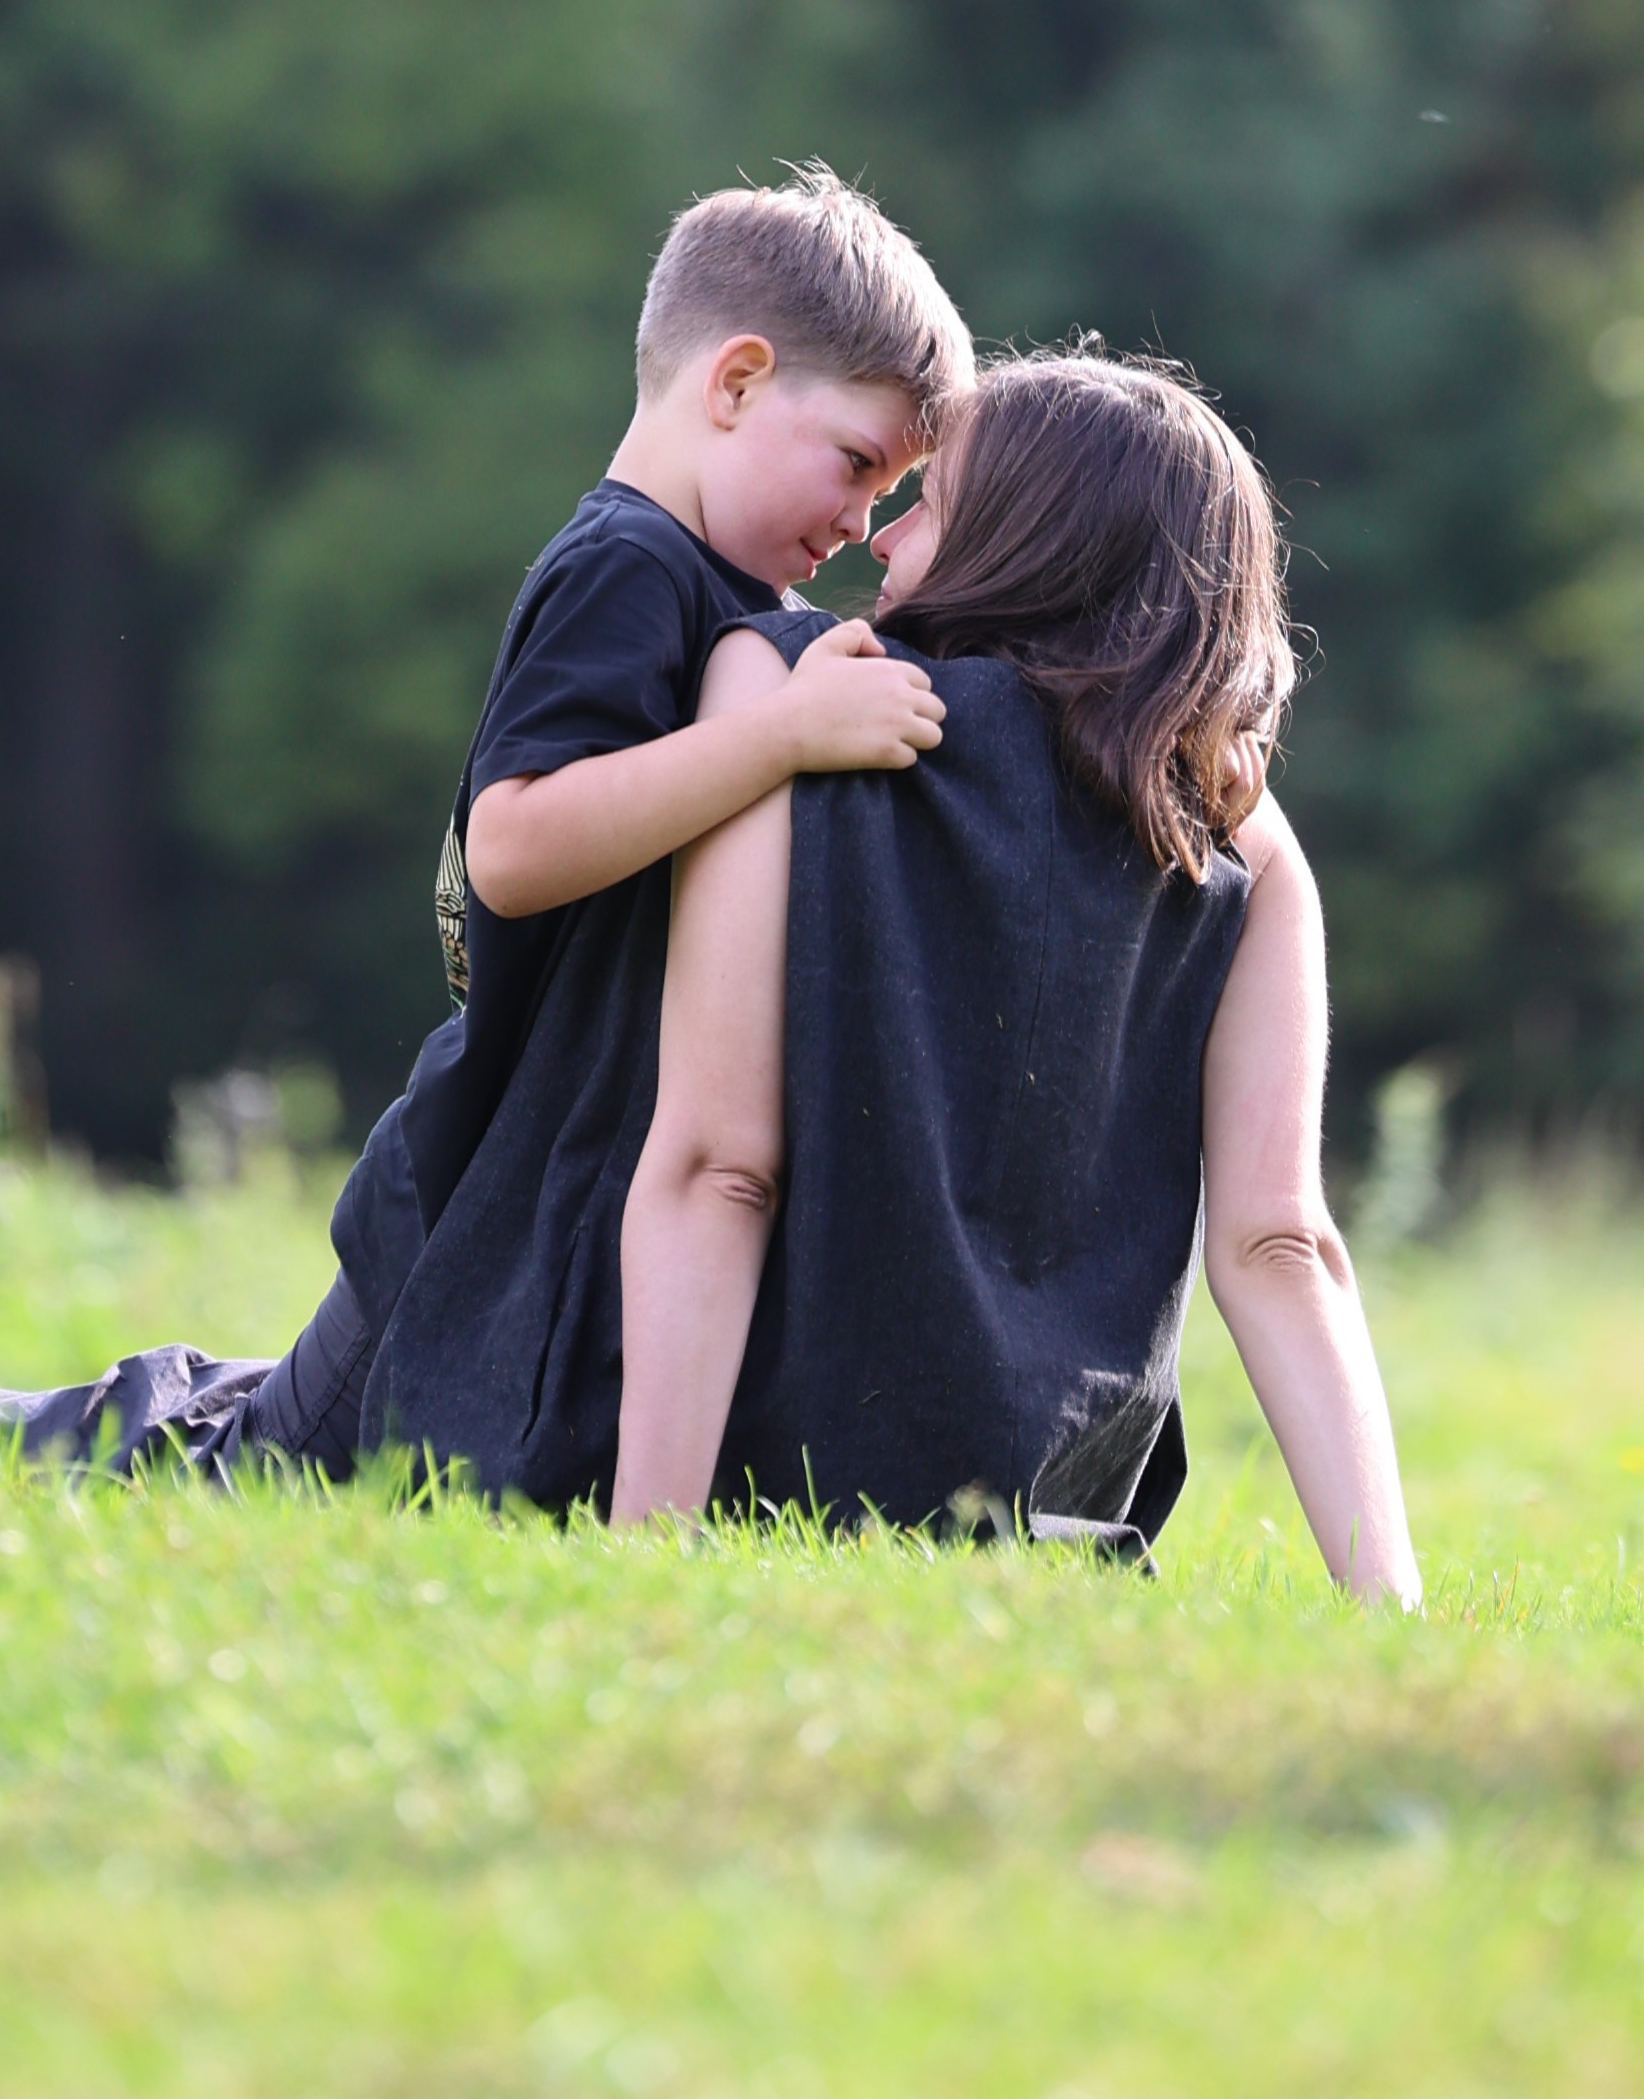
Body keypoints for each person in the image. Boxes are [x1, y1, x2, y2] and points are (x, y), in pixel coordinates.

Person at [0, 165, 973, 1463]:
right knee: (236, 1472)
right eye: (859, 464)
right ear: (735, 382)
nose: (864, 524)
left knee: (276, 1436)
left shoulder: (721, 598)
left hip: (535, 1201)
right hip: (471, 1196)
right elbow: (514, 848)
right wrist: (772, 738)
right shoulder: (627, 569)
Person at [608, 348, 1420, 1601]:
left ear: (1025, 537)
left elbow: (720, 1163)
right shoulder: (1241, 838)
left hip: (773, 1493)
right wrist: (1391, 1609)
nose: (884, 536)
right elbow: (1279, 1244)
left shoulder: (780, 690)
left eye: (929, 501)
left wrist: (645, 1553)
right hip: (1058, 1556)